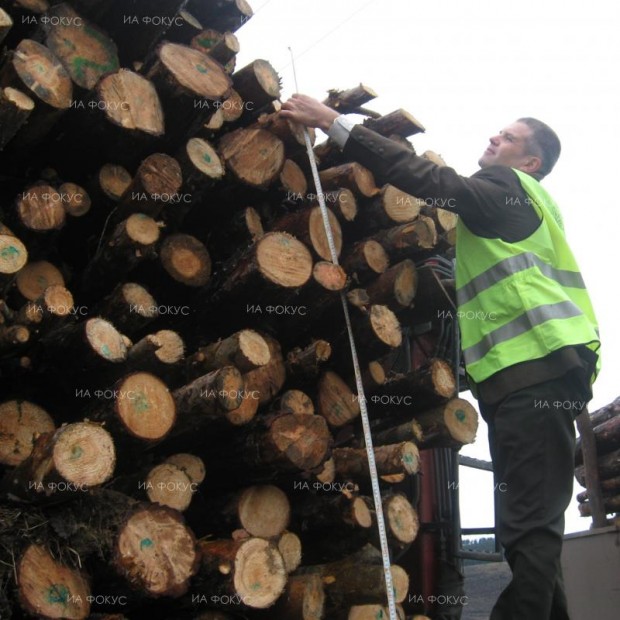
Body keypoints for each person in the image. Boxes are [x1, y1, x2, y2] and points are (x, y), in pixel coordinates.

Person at [280, 94, 601, 619]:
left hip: (534, 371)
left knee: (529, 526)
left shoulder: (510, 189)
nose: (495, 138)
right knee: (532, 527)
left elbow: (434, 182)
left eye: (509, 137)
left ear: (530, 162)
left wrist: (334, 124)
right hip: (524, 377)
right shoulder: (520, 208)